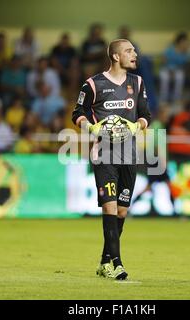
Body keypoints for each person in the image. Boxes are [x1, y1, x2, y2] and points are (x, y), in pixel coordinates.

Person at [71, 39, 151, 280]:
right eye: (129, 51)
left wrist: (136, 125)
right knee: (110, 206)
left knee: (122, 211)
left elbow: (146, 115)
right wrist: (91, 128)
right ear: (116, 56)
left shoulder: (137, 82)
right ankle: (117, 264)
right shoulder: (93, 84)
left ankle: (104, 261)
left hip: (129, 154)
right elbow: (78, 113)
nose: (134, 54)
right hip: (104, 154)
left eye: (134, 50)